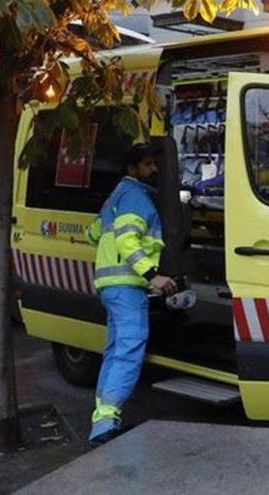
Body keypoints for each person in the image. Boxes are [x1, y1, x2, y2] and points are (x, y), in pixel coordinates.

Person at [85, 143, 178, 446]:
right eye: (148, 165)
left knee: (114, 352)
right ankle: (106, 423)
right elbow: (127, 240)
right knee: (128, 351)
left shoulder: (117, 195)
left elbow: (93, 233)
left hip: (110, 286)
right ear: (133, 169)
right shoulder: (136, 198)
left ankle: (102, 418)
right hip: (127, 286)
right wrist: (154, 275)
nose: (154, 170)